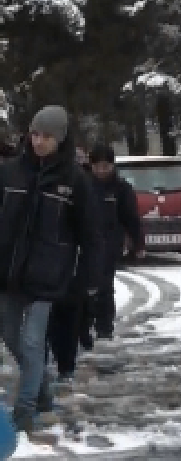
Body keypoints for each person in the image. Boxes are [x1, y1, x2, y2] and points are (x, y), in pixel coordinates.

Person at [0, 105, 101, 438]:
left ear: (60, 139)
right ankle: (43, 389)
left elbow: (90, 234)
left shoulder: (74, 181)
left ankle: (24, 412)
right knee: (10, 335)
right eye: (35, 134)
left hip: (48, 277)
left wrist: (89, 278)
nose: (39, 141)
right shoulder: (9, 173)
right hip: (8, 272)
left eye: (47, 136)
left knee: (33, 343)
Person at [88, 144, 145, 339]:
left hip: (110, 243)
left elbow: (131, 218)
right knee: (85, 287)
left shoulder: (121, 188)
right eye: (98, 166)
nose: (102, 171)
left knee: (104, 286)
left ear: (112, 166)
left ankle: (104, 327)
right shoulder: (84, 185)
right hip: (86, 244)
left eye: (106, 166)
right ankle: (84, 326)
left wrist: (138, 243)